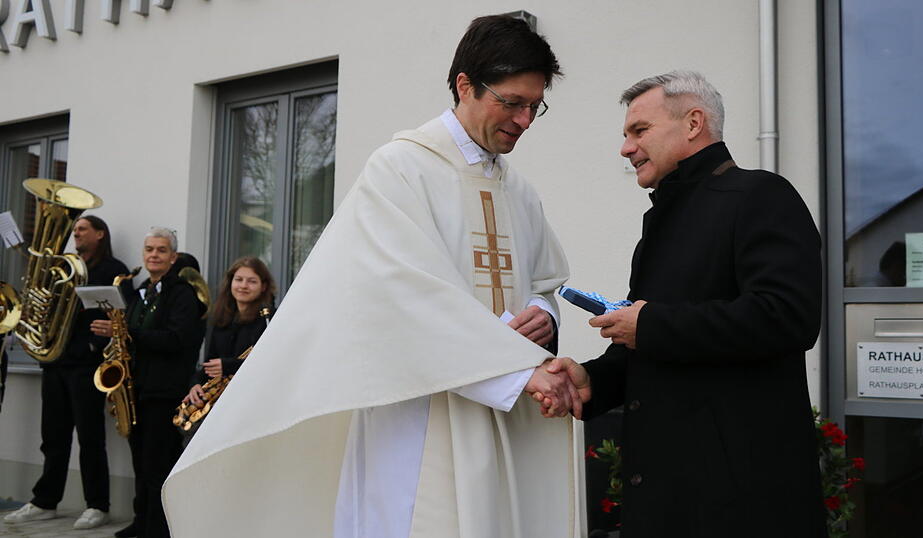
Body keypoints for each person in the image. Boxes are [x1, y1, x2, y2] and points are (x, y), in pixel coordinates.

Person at [164, 15, 582, 538]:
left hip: (507, 414)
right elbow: (395, 294)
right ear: (465, 85)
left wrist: (542, 314)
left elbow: (547, 281)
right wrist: (517, 373)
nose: (525, 120)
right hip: (418, 412)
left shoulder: (519, 190)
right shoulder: (399, 170)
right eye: (512, 102)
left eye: (534, 106)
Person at [543, 71, 826, 537]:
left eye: (640, 131)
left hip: (740, 500)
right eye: (626, 135)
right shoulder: (662, 220)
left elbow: (788, 317)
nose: (626, 148)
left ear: (693, 123)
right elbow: (651, 340)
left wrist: (649, 324)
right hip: (666, 496)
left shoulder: (760, 195)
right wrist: (593, 379)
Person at [4, 215, 129, 530]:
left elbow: (116, 315)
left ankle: (97, 504)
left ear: (100, 234)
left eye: (82, 229)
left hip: (86, 364)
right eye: (75, 230)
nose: (76, 233)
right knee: (53, 436)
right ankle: (45, 500)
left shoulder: (112, 269)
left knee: (90, 437)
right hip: (55, 361)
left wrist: (91, 346)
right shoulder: (61, 266)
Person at [91, 227, 204, 538]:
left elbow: (176, 339)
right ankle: (142, 522)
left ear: (173, 257)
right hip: (139, 389)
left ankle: (158, 529)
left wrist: (128, 334)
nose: (154, 255)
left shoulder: (182, 293)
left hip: (165, 391)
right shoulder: (143, 290)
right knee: (140, 462)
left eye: (161, 250)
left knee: (157, 465)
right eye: (149, 249)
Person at [181, 257, 275, 424]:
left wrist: (227, 366)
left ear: (264, 286)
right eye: (238, 279)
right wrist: (195, 384)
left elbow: (269, 363)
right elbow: (209, 364)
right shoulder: (221, 318)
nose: (243, 286)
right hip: (221, 404)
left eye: (252, 281)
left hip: (251, 404)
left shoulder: (268, 319)